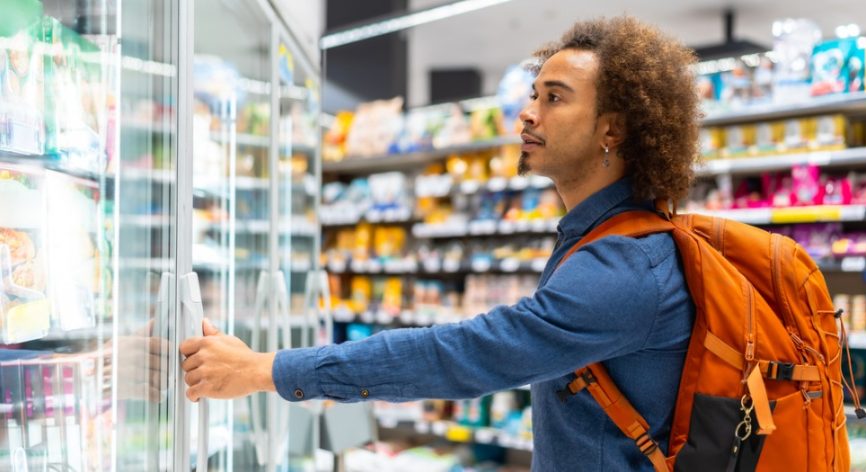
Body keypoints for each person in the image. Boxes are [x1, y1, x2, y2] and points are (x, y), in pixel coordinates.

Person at [180, 15, 701, 471]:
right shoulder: (599, 239)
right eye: (533, 95)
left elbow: (465, 355)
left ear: (612, 129)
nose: (528, 113)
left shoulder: (624, 267)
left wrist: (264, 370)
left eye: (555, 98)